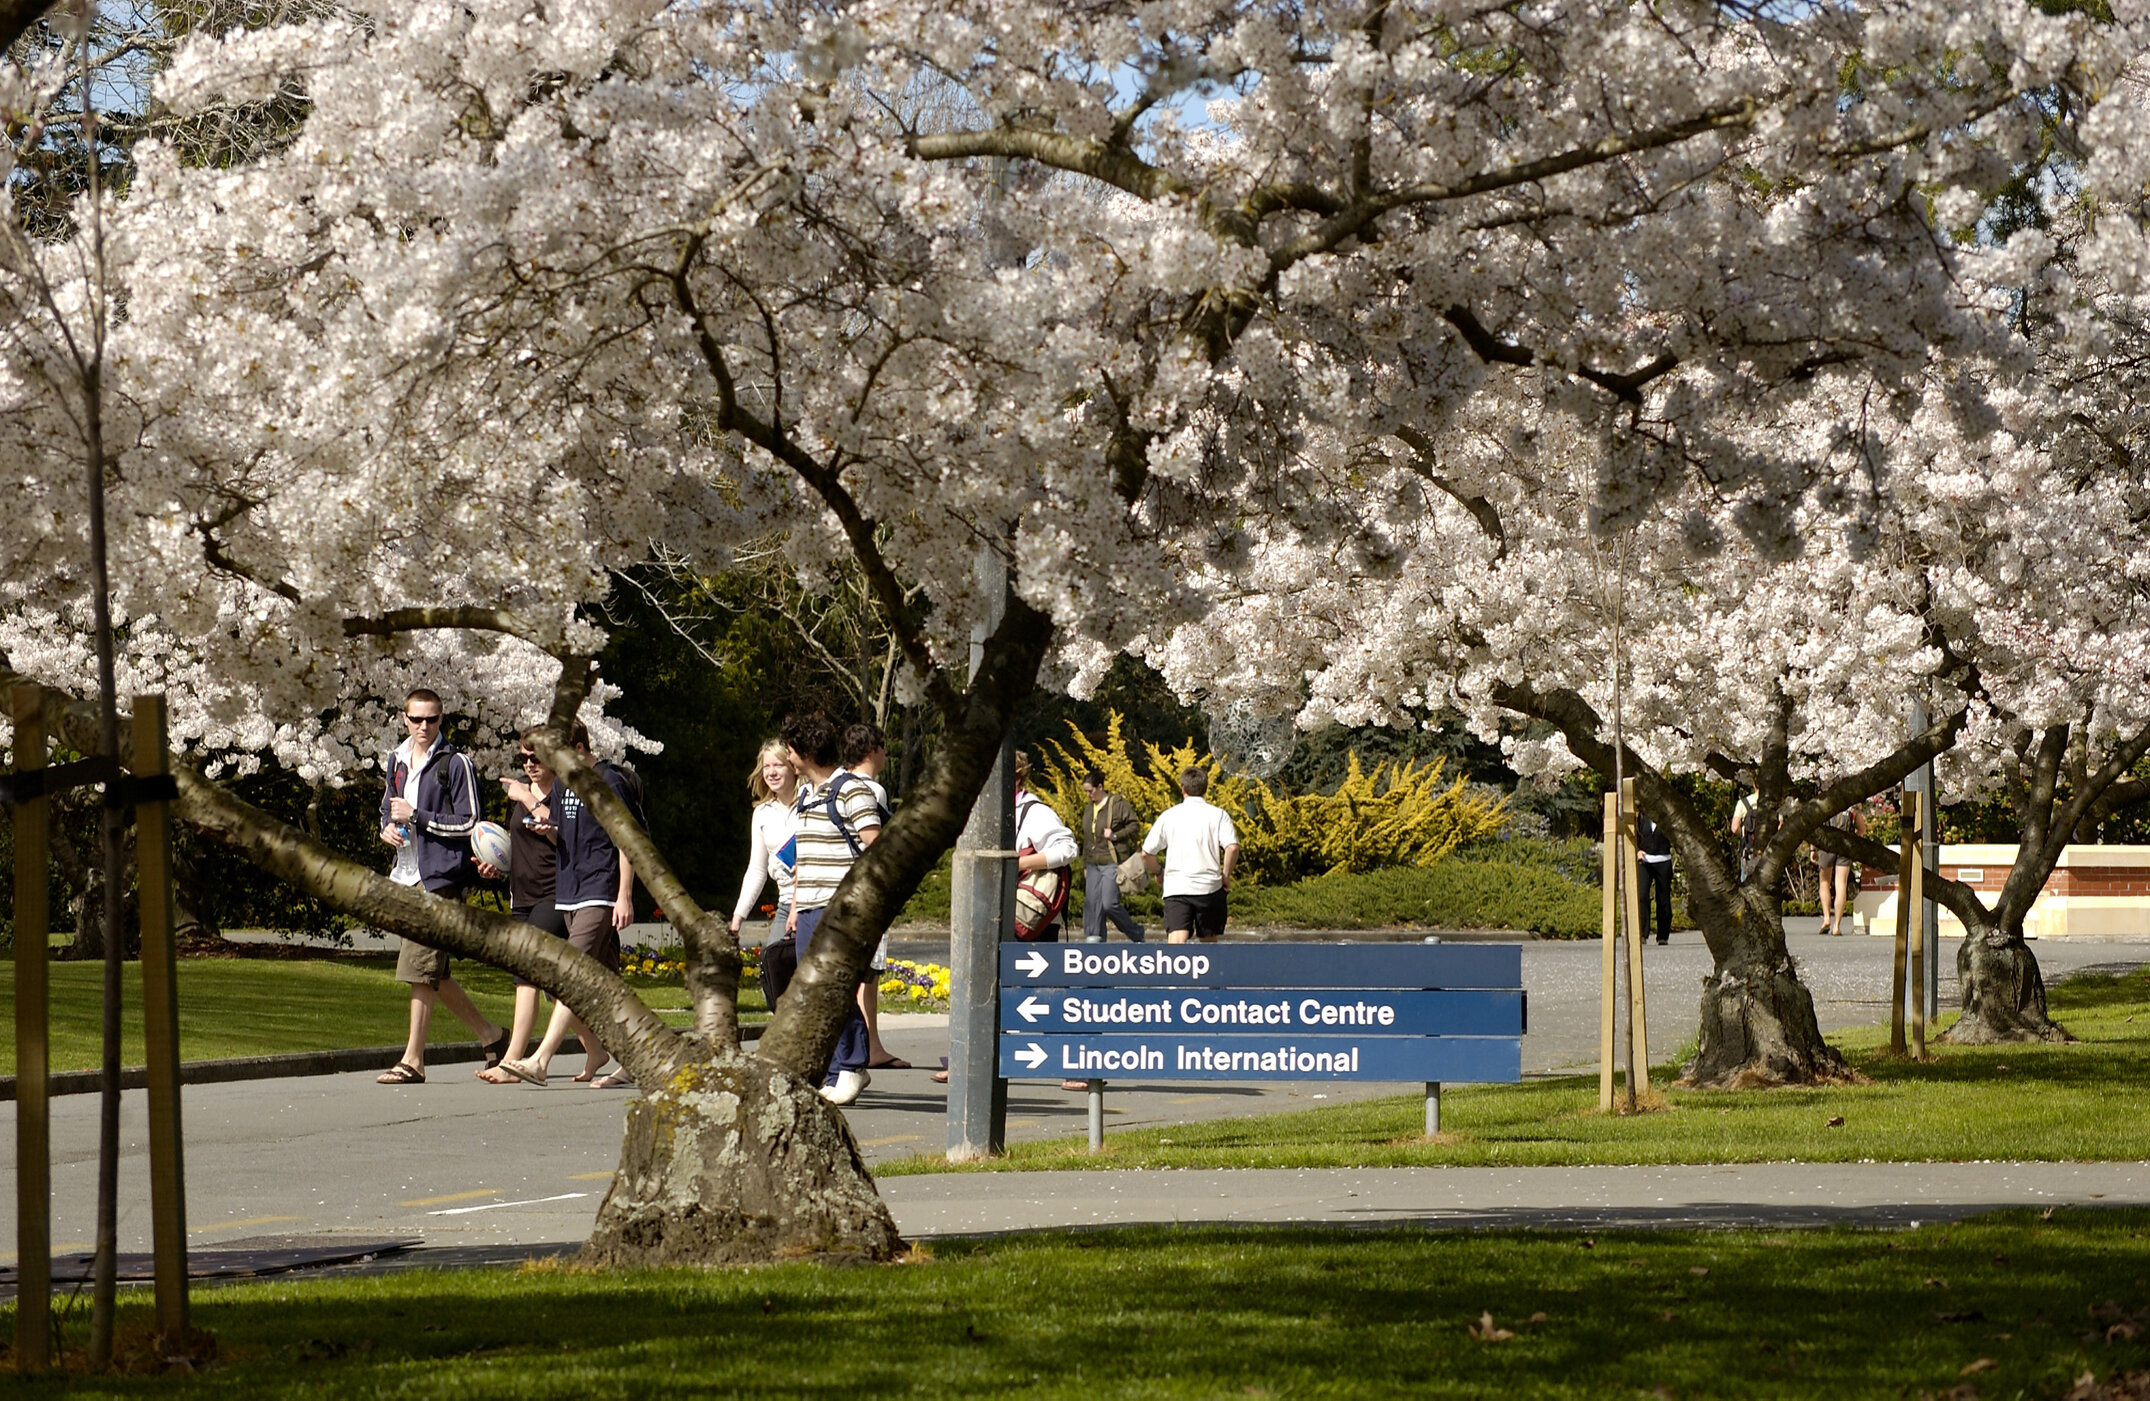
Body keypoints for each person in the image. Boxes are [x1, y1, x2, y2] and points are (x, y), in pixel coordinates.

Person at [375, 688, 509, 1085]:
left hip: (439, 880)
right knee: (433, 970)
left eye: (431, 719)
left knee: (418, 966)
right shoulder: (396, 759)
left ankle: (413, 1059)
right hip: (404, 874)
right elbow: (388, 807)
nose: (423, 726)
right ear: (404, 718)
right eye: (416, 719)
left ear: (441, 720)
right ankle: (493, 1036)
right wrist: (386, 828)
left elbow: (472, 823)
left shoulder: (456, 763)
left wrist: (418, 817)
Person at [501, 724, 644, 1089]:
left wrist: (623, 894)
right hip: (569, 893)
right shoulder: (566, 782)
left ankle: (541, 1059)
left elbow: (627, 840)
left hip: (599, 891)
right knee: (608, 987)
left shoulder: (607, 781)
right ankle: (635, 1059)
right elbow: (567, 832)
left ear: (579, 748)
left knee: (567, 974)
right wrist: (546, 830)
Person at [784, 712, 882, 1105]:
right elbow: (804, 859)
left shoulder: (851, 790)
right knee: (814, 992)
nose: (788, 759)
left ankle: (853, 1066)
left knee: (835, 989)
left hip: (840, 910)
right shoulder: (807, 794)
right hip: (808, 907)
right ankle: (834, 1068)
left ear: (806, 752)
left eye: (791, 751)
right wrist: (794, 906)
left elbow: (877, 847)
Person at [474, 739, 569, 1084]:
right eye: (525, 758)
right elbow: (518, 848)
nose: (530, 764)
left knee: (526, 971)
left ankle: (511, 1060)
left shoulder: (563, 792)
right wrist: (496, 870)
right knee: (557, 984)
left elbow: (568, 839)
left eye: (537, 758)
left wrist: (528, 799)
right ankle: (596, 1048)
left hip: (555, 894)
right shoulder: (520, 792)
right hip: (522, 896)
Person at [842, 722, 909, 1071]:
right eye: (882, 748)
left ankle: (868, 1043)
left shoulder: (834, 784)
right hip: (867, 888)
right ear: (872, 751)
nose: (885, 755)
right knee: (868, 973)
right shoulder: (872, 791)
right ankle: (871, 1045)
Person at [732, 738, 799, 1010]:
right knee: (772, 970)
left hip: (817, 902)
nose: (771, 772)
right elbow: (756, 870)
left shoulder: (812, 802)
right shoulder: (762, 813)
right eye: (766, 766)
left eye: (778, 765)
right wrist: (738, 917)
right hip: (785, 903)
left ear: (793, 767)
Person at [1141, 767, 1240, 944]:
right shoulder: (1218, 815)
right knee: (1208, 941)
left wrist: (1159, 873)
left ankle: (1175, 971)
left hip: (1177, 886)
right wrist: (1225, 875)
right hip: (1209, 887)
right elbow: (1232, 848)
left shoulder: (1169, 815)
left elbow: (1146, 853)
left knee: (1176, 940)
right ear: (1205, 788)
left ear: (1183, 789)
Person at [1078, 769, 1145, 944]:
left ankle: (1136, 932)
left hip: (1112, 861)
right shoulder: (1089, 808)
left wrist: (1116, 835)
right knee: (1092, 903)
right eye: (1085, 791)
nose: (1088, 795)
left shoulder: (1117, 804)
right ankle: (1095, 939)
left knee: (1109, 903)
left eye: (1090, 791)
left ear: (1100, 787)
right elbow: (1087, 838)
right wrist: (1085, 864)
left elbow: (1134, 826)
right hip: (1093, 862)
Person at [1815, 806, 1866, 935]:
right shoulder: (1851, 807)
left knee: (1824, 882)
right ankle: (1837, 925)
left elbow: (1815, 827)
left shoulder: (1825, 803)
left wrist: (1812, 849)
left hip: (1827, 844)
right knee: (1841, 884)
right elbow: (1862, 829)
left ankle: (1826, 918)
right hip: (1845, 845)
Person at [1635, 811, 1674, 947]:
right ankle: (1642, 933)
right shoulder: (1640, 818)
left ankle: (1663, 935)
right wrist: (1637, 850)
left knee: (1663, 898)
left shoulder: (1667, 817)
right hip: (1644, 860)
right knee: (1642, 895)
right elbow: (1633, 836)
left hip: (1663, 860)